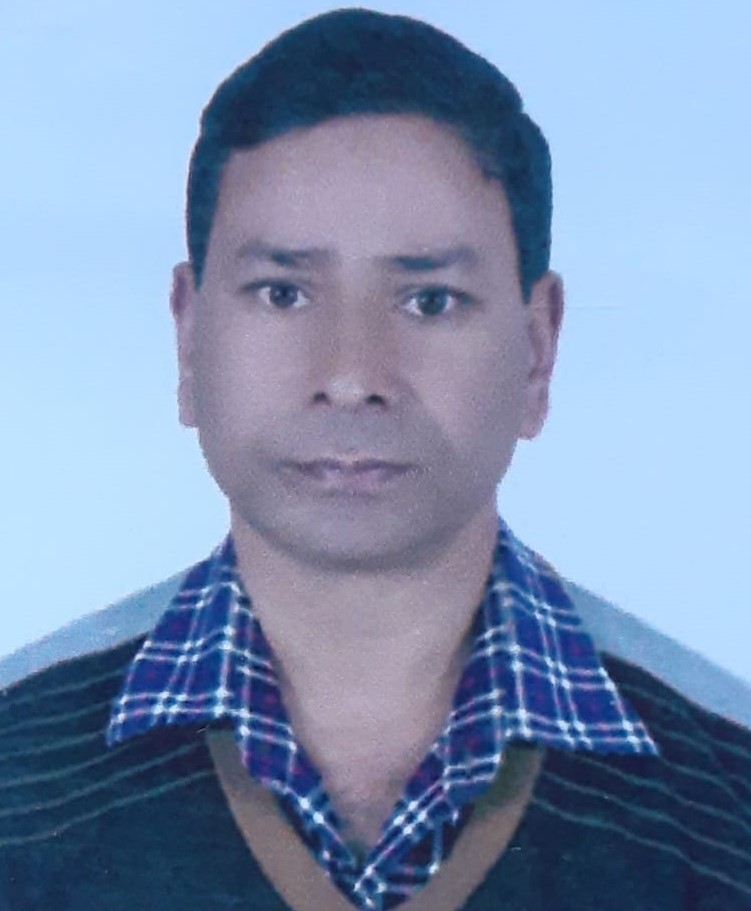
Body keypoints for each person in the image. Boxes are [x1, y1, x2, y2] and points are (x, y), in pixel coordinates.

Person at [0, 8, 749, 910]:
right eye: (282, 293)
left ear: (537, 349)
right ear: (189, 337)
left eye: (430, 300)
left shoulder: (728, 794)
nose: (352, 377)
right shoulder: (17, 771)